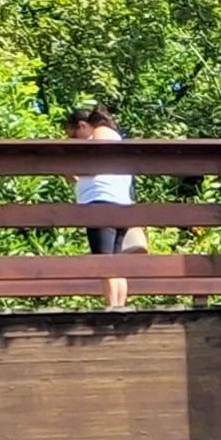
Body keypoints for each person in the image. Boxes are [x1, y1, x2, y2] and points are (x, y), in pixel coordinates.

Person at [66, 102, 137, 314]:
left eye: (72, 136)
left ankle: (113, 308)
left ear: (82, 125)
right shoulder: (110, 135)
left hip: (101, 203)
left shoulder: (101, 132)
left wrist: (71, 165)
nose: (72, 141)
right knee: (114, 262)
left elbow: (95, 164)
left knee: (104, 262)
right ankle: (118, 306)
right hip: (115, 203)